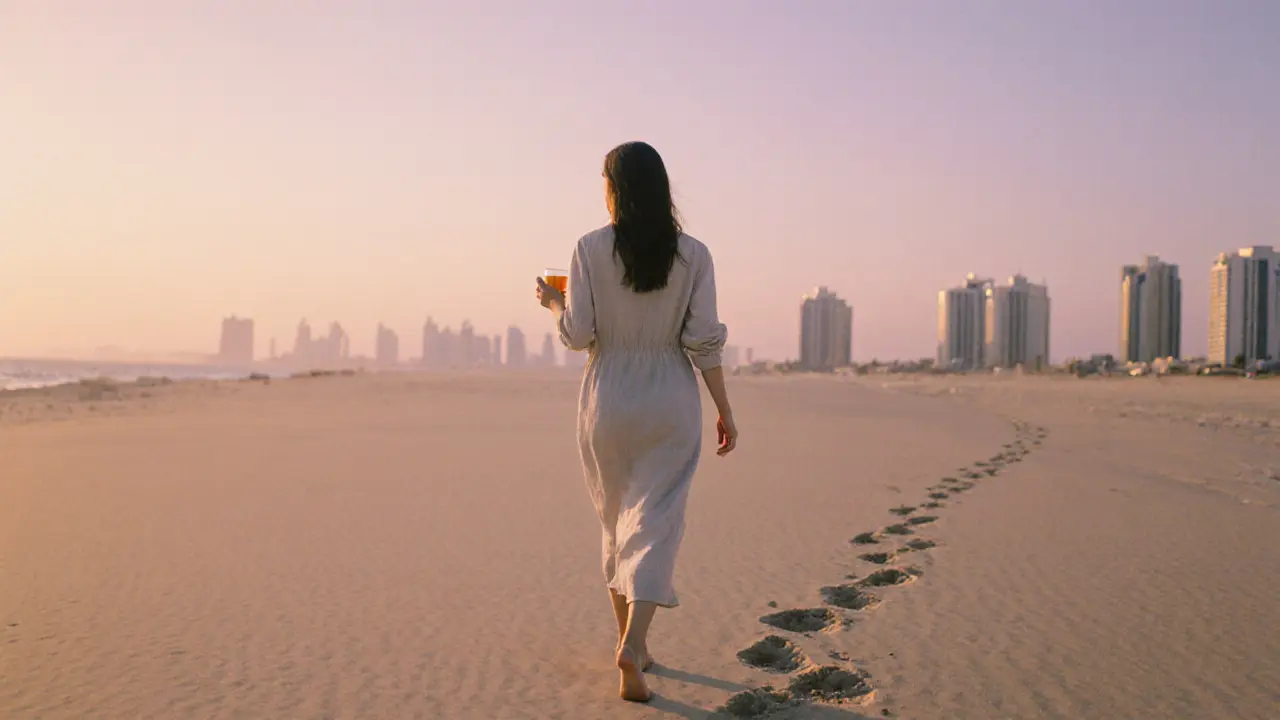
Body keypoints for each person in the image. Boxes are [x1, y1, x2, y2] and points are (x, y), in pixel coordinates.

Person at [535, 141, 738, 703]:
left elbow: (578, 336)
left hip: (609, 400)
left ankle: (632, 643)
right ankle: (635, 645)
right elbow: (703, 341)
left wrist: (553, 304)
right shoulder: (694, 255)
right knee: (655, 525)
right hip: (670, 399)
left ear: (614, 191)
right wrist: (724, 408)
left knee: (615, 522)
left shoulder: (588, 249)